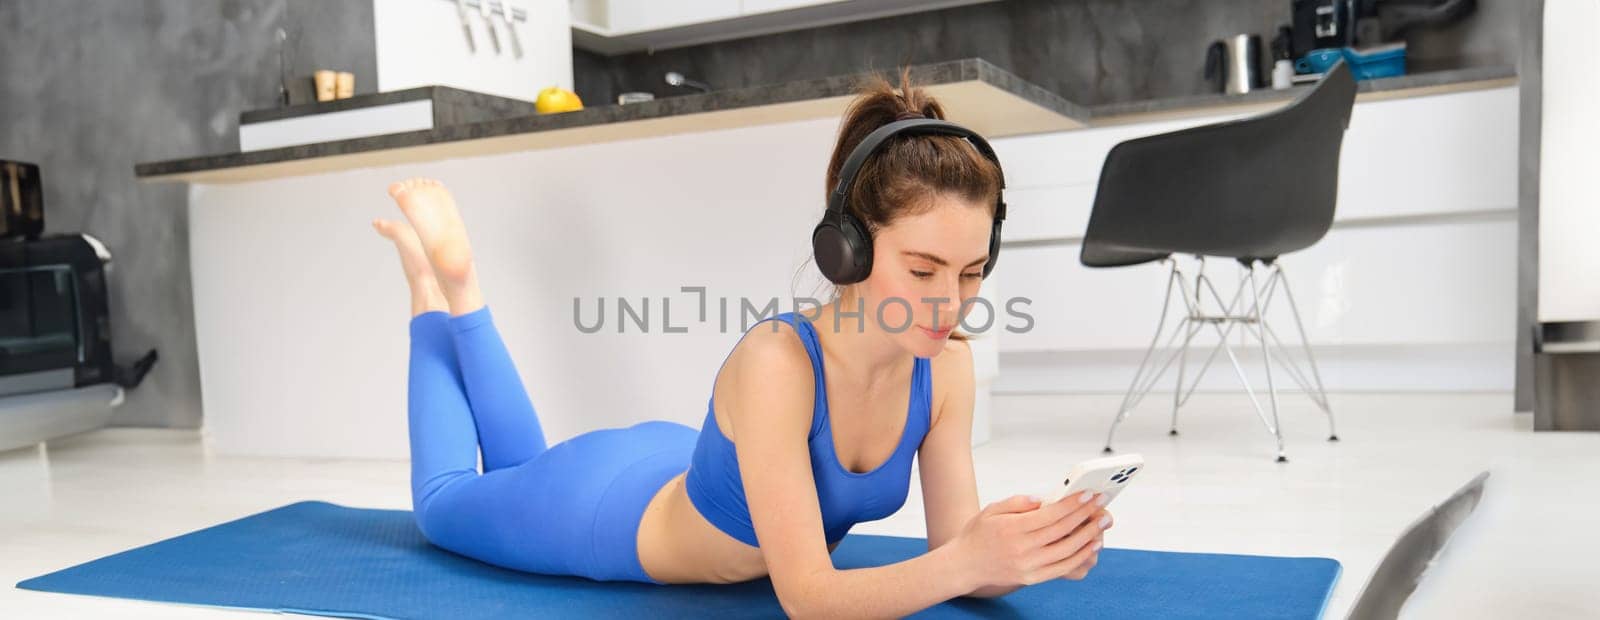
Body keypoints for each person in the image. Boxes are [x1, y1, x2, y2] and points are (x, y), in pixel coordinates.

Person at [370, 70, 1112, 618]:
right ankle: (445, 293)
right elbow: (812, 599)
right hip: (606, 511)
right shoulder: (777, 364)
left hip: (684, 464)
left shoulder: (947, 367)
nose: (950, 304)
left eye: (973, 272)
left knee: (517, 470)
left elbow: (957, 554)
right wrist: (967, 562)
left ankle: (460, 295)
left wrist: (1030, 551)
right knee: (445, 506)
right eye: (922, 270)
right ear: (846, 251)